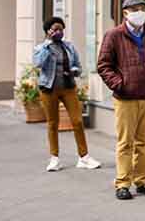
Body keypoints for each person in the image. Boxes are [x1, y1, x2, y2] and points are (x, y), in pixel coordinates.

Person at [97, 0, 145, 200]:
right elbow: (103, 65)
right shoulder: (114, 35)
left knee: (142, 142)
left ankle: (142, 181)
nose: (140, 12)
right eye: (135, 9)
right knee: (125, 142)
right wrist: (120, 84)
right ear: (125, 13)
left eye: (142, 9)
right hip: (125, 97)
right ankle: (122, 183)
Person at [32, 17, 102, 172]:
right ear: (48, 31)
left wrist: (74, 71)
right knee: (52, 123)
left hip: (68, 87)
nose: (59, 32)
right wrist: (47, 44)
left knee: (77, 121)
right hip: (49, 89)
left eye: (61, 29)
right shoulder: (41, 48)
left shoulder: (69, 47)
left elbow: (78, 66)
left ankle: (84, 157)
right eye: (55, 29)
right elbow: (38, 64)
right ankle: (54, 159)